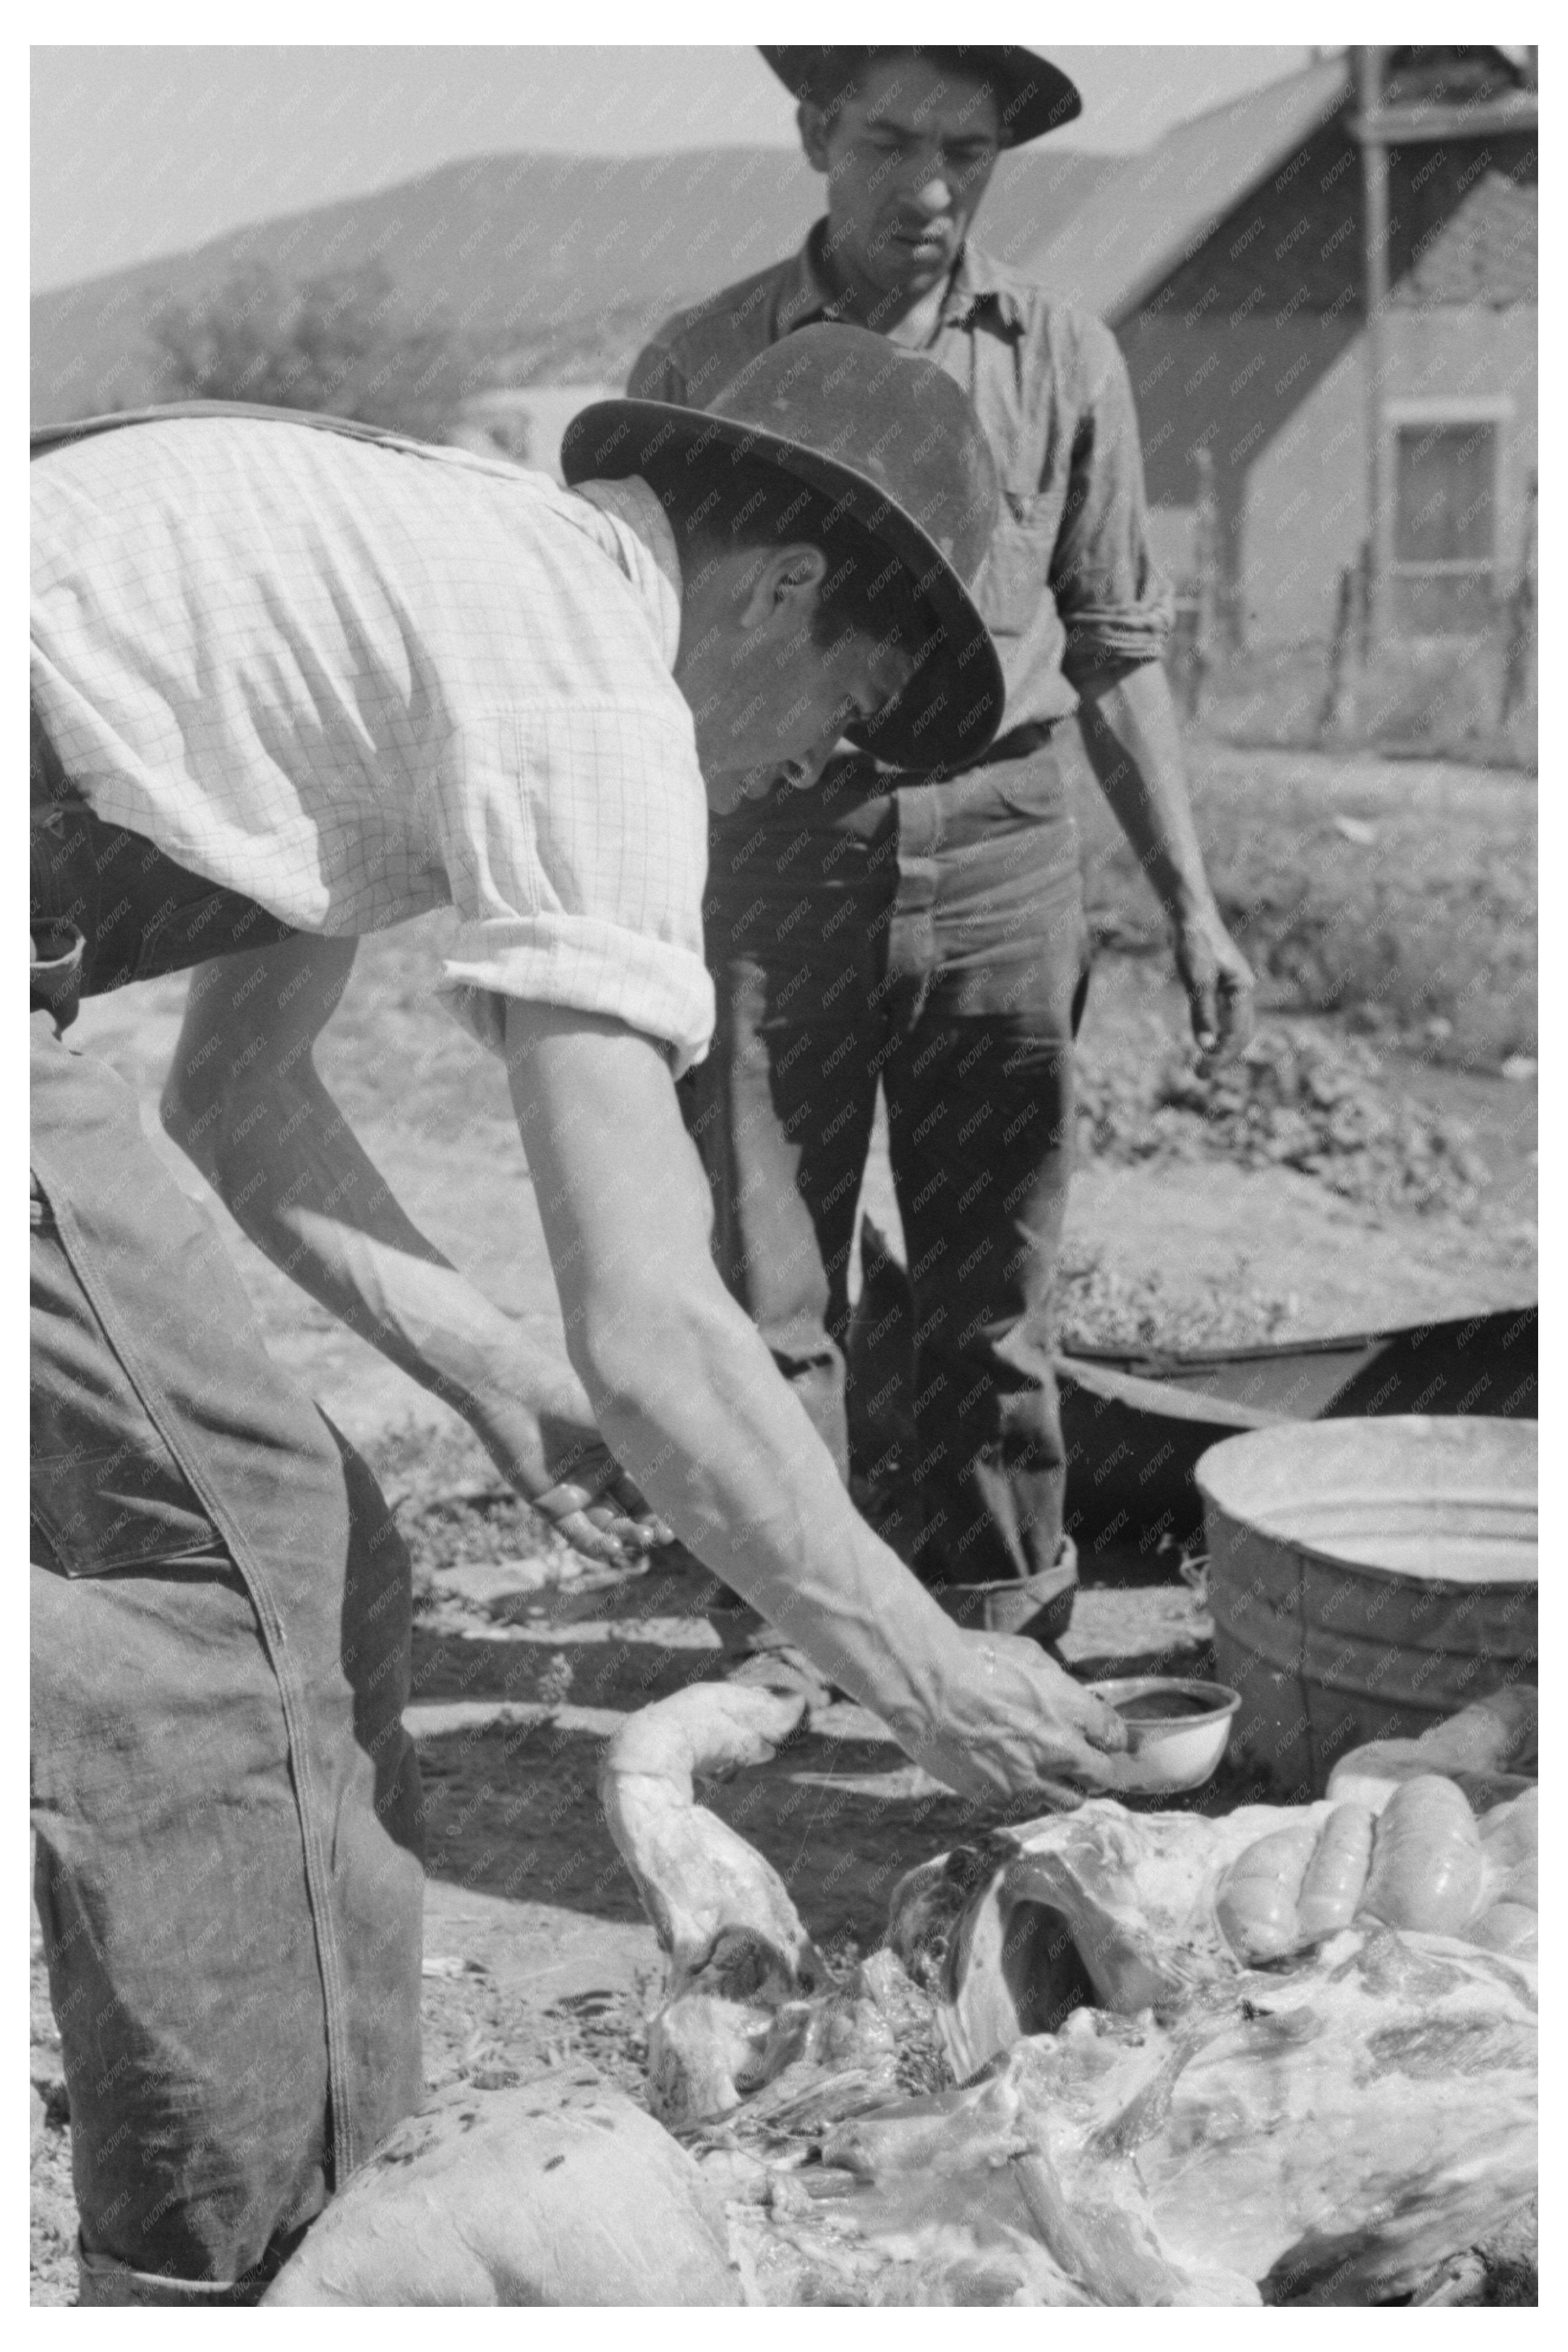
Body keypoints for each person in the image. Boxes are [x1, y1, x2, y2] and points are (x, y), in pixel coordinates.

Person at [30, 326, 1127, 2305]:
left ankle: (336, 2205)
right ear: (783, 584)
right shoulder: (588, 672)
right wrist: (921, 1671)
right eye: (852, 723)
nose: (819, 775)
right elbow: (664, 1317)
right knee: (245, 1562)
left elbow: (237, 1101)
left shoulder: (452, 582)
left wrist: (506, 1384)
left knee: (305, 1543)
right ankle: (225, 2282)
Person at [629, 46, 1257, 1643]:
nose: (927, 189)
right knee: (768, 1276)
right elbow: (630, 660)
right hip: (771, 842)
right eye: (891, 142)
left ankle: (996, 1625)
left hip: (1002, 838)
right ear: (812, 136)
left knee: (993, 1286)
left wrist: (1190, 899)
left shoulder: (1059, 356)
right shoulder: (701, 360)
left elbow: (1114, 645)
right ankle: (782, 1631)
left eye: (967, 154)